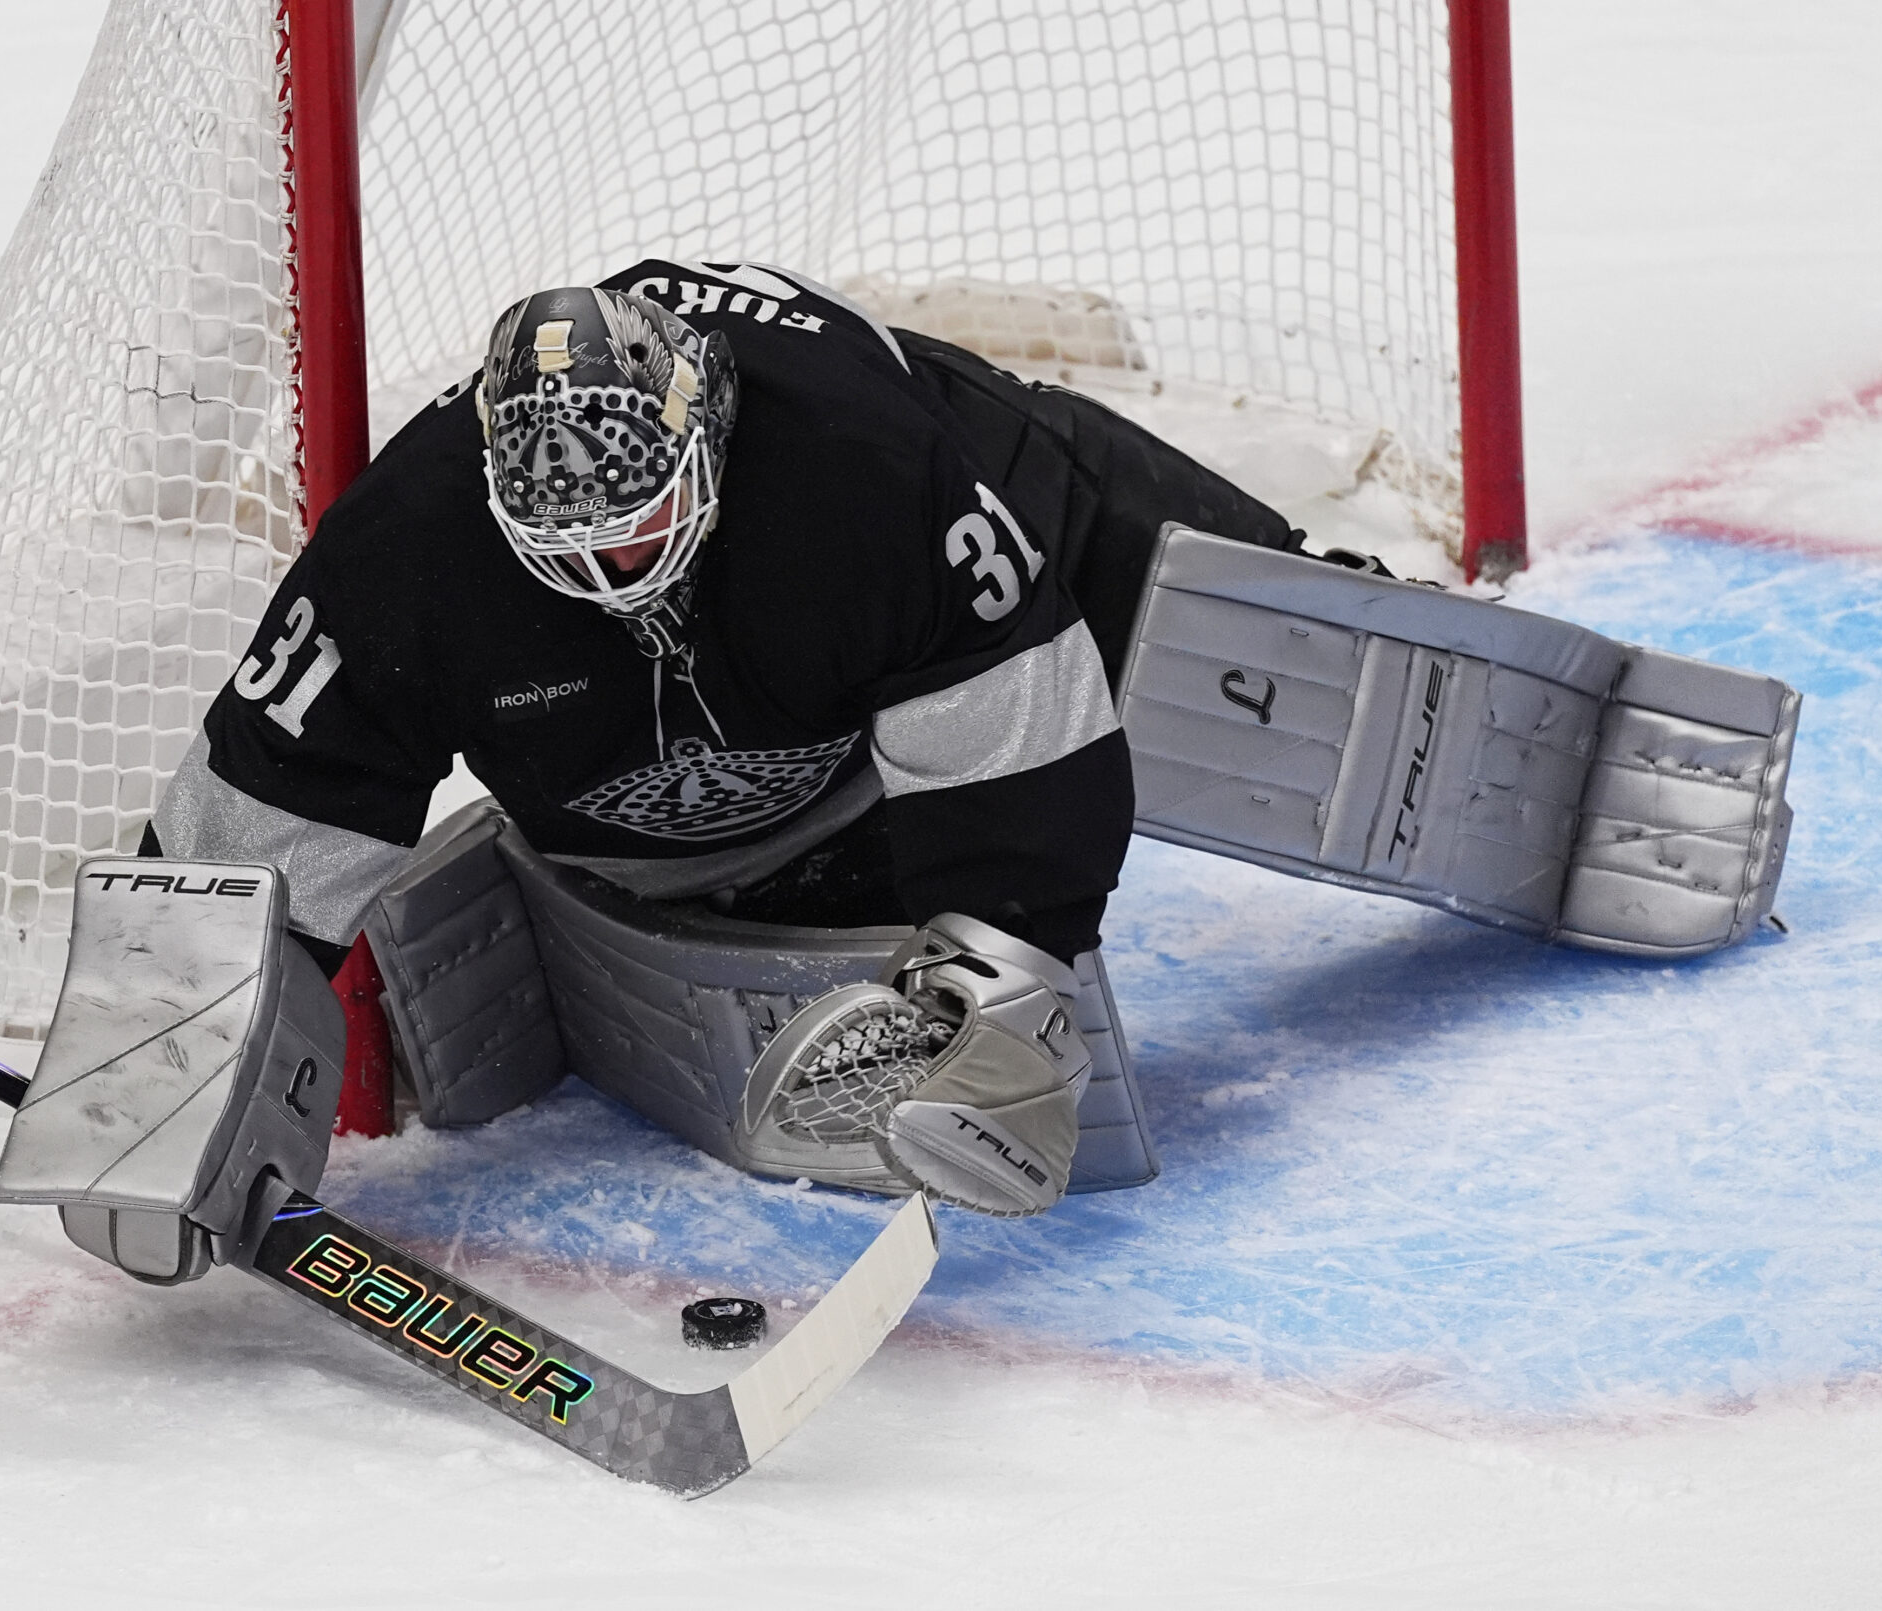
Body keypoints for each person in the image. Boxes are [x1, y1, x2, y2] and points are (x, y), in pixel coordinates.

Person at [150, 258, 1304, 1214]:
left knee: (1131, 539)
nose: (611, 570)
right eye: (571, 547)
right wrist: (166, 1048)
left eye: (636, 529)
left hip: (942, 471)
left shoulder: (861, 463)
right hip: (708, 788)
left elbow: (1014, 710)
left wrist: (1018, 964)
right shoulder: (406, 542)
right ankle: (775, 875)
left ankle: (1314, 576)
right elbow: (273, 789)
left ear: (704, 433)